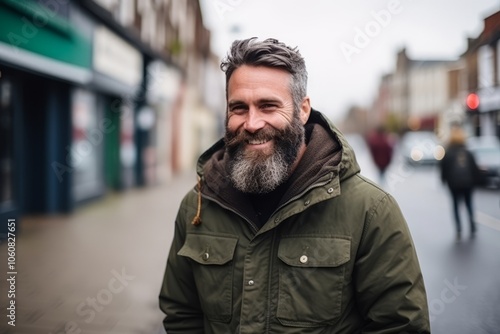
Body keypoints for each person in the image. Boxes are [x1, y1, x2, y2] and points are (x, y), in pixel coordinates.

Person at [159, 37, 430, 333]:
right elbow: (182, 315)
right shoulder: (198, 205)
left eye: (268, 106)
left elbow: (400, 326)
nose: (251, 123)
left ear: (302, 110)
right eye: (239, 108)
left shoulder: (371, 211)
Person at [440, 126, 480, 240]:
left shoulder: (448, 153)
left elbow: (444, 168)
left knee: (456, 206)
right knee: (469, 204)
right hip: (468, 183)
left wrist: (444, 180)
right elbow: (474, 168)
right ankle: (472, 226)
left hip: (454, 183)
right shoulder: (467, 152)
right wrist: (475, 182)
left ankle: (458, 229)